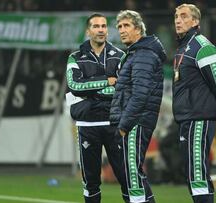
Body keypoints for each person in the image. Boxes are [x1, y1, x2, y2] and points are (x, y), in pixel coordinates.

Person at [172, 4, 216, 203]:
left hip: (199, 118)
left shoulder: (202, 45)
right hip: (187, 118)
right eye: (176, 17)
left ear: (196, 21)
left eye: (183, 16)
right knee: (192, 173)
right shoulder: (184, 47)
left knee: (197, 173)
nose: (178, 20)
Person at [65, 13, 125, 203]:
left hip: (114, 123)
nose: (101, 30)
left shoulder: (120, 56)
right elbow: (75, 86)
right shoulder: (75, 57)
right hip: (87, 125)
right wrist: (106, 81)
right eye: (96, 26)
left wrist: (90, 90)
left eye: (104, 26)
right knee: (91, 181)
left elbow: (123, 88)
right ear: (88, 31)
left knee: (127, 178)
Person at [110, 10, 166, 203]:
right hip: (135, 119)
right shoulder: (136, 53)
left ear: (139, 29)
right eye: (119, 27)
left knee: (132, 172)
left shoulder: (144, 54)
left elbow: (140, 95)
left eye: (126, 26)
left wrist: (124, 126)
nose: (122, 31)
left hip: (136, 121)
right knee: (131, 171)